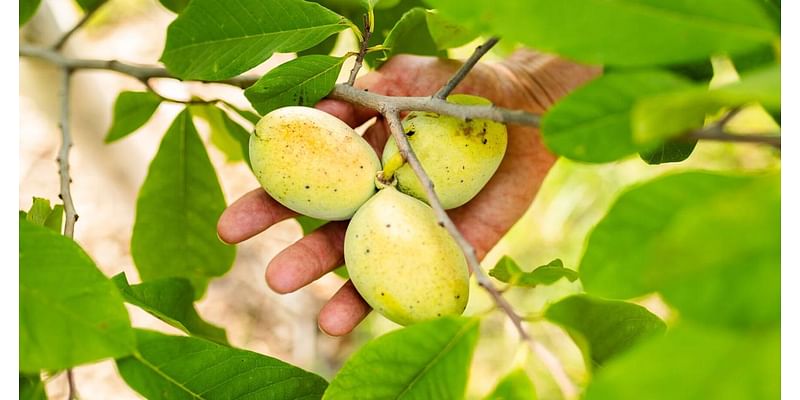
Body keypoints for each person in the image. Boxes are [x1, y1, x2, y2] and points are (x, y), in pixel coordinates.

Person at [216, 50, 601, 336]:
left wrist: (534, 87)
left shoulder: (385, 188)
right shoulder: (381, 188)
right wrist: (529, 85)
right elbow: (278, 137)